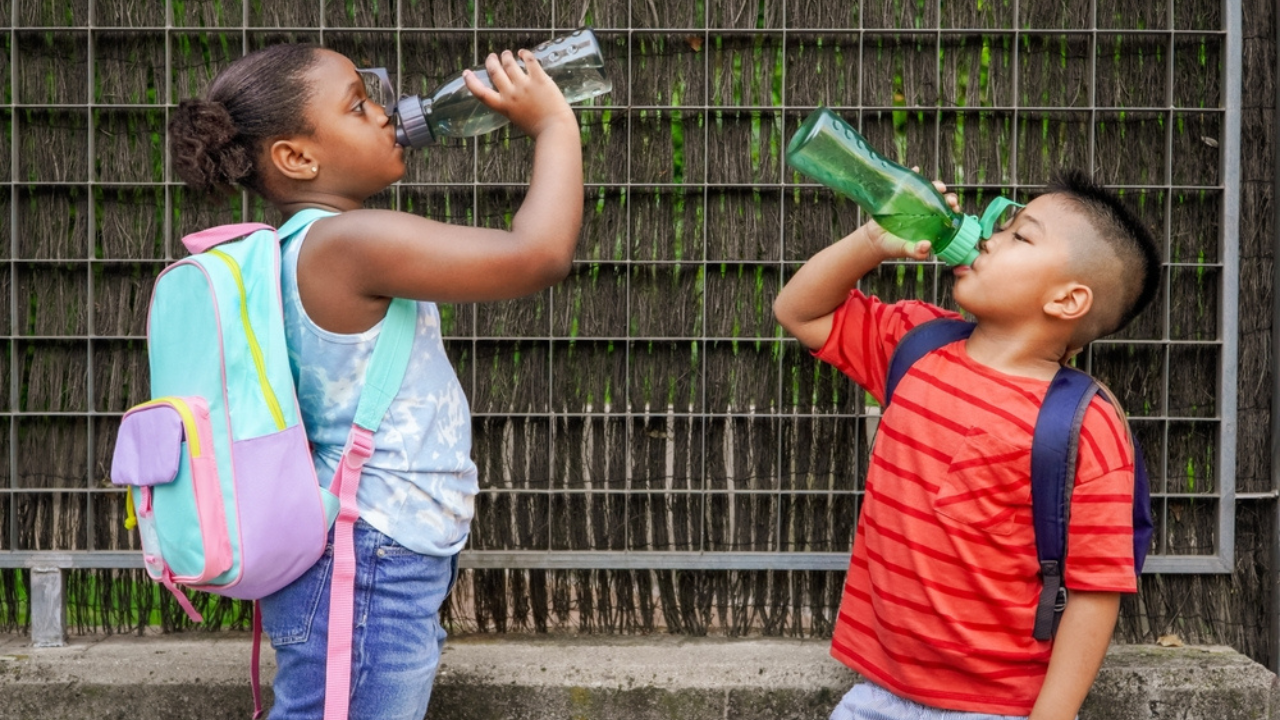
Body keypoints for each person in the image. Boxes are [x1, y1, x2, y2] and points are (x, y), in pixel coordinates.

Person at [168, 43, 582, 719]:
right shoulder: (345, 246)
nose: (387, 114)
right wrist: (554, 125)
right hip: (368, 555)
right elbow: (536, 255)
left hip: (374, 548)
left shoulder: (309, 246)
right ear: (297, 158)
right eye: (358, 104)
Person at [773, 171, 1160, 720]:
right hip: (875, 692)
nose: (986, 236)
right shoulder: (914, 343)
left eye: (1020, 236)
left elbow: (1096, 591)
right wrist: (873, 241)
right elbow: (798, 312)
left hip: (997, 708)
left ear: (1068, 299)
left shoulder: (1085, 427)